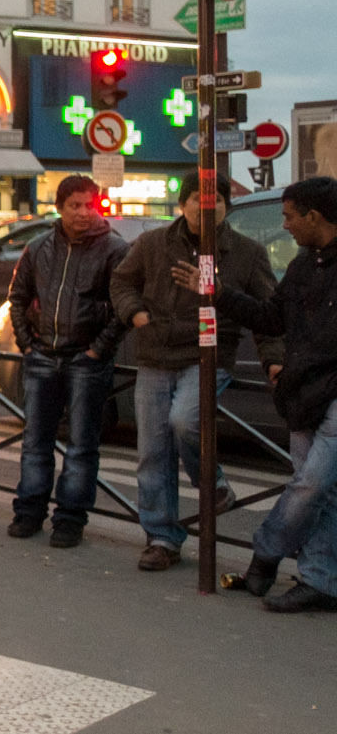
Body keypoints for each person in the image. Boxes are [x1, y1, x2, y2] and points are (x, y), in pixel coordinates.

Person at [174, 177, 337, 611]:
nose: (284, 226)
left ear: (314, 217)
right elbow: (269, 317)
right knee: (322, 492)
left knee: (313, 483)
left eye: (288, 217)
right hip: (304, 393)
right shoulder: (304, 266)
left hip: (331, 390)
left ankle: (265, 553)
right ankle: (320, 580)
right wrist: (219, 294)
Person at [113, 171, 283, 572]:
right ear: (183, 204)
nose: (208, 209)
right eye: (199, 201)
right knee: (152, 453)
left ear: (226, 206)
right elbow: (121, 281)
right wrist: (135, 314)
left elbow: (268, 315)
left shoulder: (246, 253)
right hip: (155, 354)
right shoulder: (153, 243)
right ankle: (161, 538)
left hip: (208, 356)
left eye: (217, 202)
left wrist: (272, 359)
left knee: (185, 422)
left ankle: (214, 485)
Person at [3, 176, 131, 549]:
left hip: (85, 360)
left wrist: (97, 351)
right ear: (60, 207)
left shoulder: (114, 250)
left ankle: (70, 520)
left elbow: (122, 309)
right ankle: (28, 511)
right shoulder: (39, 247)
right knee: (35, 440)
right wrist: (28, 345)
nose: (83, 213)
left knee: (82, 445)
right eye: (75, 205)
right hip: (43, 355)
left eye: (89, 205)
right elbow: (18, 298)